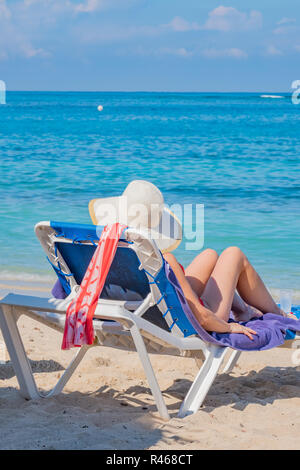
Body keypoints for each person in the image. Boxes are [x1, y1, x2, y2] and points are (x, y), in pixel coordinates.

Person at [164, 247, 287, 340]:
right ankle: (278, 312)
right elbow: (203, 319)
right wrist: (229, 327)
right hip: (203, 318)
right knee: (234, 254)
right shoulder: (167, 260)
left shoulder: (149, 258)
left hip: (171, 312)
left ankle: (244, 310)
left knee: (209, 255)